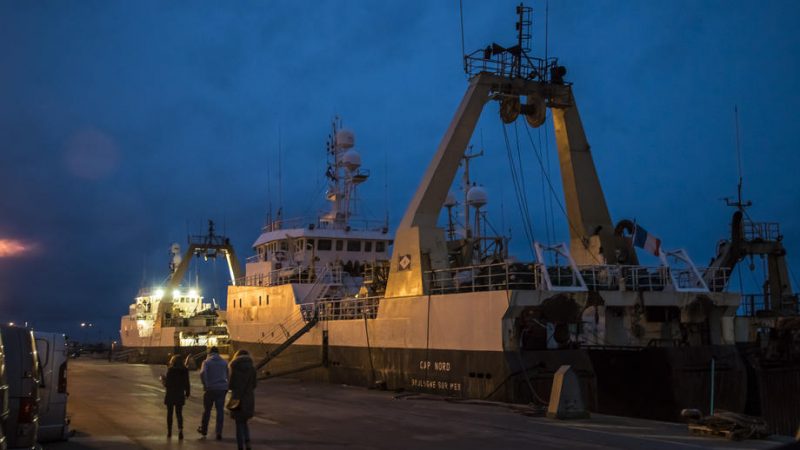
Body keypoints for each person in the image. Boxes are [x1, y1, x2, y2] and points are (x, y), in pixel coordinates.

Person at [197, 346, 229, 440]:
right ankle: (219, 432)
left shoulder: (206, 362)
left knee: (207, 410)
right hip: (222, 389)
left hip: (210, 389)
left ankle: (204, 429)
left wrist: (205, 384)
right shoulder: (224, 362)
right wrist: (226, 385)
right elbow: (228, 374)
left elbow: (202, 373)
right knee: (220, 411)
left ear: (209, 353)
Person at [228, 349, 257, 450]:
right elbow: (254, 385)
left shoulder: (234, 367)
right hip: (248, 399)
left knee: (238, 423)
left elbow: (230, 385)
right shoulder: (252, 368)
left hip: (237, 398)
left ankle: (240, 446)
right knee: (244, 422)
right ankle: (247, 442)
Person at [163, 355, 190, 439]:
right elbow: (187, 383)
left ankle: (169, 432)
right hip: (179, 394)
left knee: (169, 414)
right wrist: (187, 393)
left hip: (170, 394)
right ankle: (180, 431)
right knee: (179, 414)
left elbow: (167, 384)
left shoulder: (171, 370)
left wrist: (163, 380)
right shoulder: (184, 370)